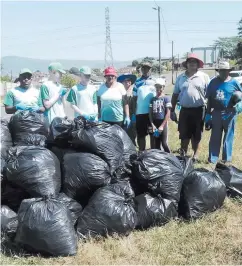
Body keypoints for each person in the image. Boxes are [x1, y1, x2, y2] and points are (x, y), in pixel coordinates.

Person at [170, 53, 210, 161]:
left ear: (198, 64)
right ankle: (183, 154)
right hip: (184, 110)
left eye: (195, 62)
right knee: (184, 133)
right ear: (186, 64)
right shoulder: (180, 78)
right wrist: (172, 111)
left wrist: (209, 112)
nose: (192, 64)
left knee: (197, 134)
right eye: (190, 62)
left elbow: (210, 95)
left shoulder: (204, 77)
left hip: (199, 110)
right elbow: (175, 95)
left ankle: (195, 155)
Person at [205, 61, 242, 164]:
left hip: (230, 113)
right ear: (219, 71)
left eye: (226, 71)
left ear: (229, 71)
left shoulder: (234, 82)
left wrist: (239, 105)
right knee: (215, 136)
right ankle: (212, 159)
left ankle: (226, 159)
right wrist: (208, 114)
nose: (223, 72)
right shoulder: (213, 82)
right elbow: (209, 100)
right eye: (221, 71)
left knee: (228, 136)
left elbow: (241, 95)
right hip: (216, 112)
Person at [149, 78, 171, 152]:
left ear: (163, 87)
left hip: (162, 123)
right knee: (156, 144)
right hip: (155, 123)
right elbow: (150, 113)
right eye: (157, 87)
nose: (158, 89)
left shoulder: (166, 98)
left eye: (160, 87)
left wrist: (162, 126)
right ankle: (159, 161)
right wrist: (152, 125)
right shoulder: (152, 99)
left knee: (164, 143)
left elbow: (168, 113)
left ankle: (171, 158)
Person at [117, 73, 137, 144]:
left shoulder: (134, 93)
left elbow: (135, 105)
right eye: (126, 81)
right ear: (122, 83)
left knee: (132, 135)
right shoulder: (119, 93)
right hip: (121, 117)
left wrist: (134, 115)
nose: (128, 82)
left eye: (129, 80)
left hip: (132, 116)